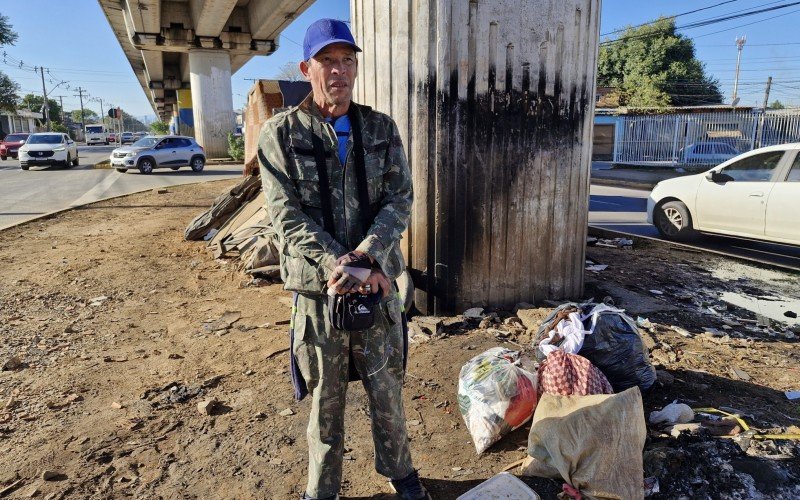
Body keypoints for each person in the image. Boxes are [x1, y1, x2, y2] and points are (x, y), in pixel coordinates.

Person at [257, 18, 430, 500]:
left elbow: (400, 199)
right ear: (306, 68)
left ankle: (403, 476)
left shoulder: (380, 128)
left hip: (376, 286)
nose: (339, 71)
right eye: (327, 61)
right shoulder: (281, 135)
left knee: (386, 390)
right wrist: (342, 263)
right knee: (325, 403)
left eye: (347, 60)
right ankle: (322, 490)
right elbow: (285, 216)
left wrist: (367, 258)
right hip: (319, 293)